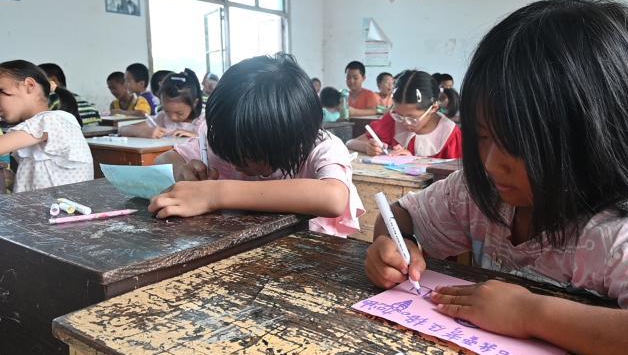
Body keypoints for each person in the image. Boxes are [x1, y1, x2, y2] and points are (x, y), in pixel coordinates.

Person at [364, 0, 628, 355]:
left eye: (518, 144)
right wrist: (396, 246)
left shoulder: (610, 235)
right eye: (483, 137)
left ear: (595, 140)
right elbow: (399, 215)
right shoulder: (478, 193)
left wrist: (532, 313)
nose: (491, 163)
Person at [148, 53, 364, 237]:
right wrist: (184, 170)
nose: (234, 162)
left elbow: (333, 198)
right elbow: (163, 160)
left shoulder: (322, 147)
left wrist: (214, 194)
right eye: (229, 153)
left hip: (309, 254)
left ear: (285, 142)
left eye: (247, 156)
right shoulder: (231, 140)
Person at [0, 60, 93, 192]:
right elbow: (37, 178)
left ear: (29, 85)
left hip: (62, 205)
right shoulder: (36, 129)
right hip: (43, 204)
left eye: (1, 91)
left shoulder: (51, 120)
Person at [346, 70, 462, 158]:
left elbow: (456, 176)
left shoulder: (449, 134)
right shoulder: (393, 120)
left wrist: (414, 161)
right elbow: (350, 143)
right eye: (399, 115)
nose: (405, 122)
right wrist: (367, 147)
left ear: (433, 109)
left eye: (412, 118)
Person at [119, 69, 204, 139]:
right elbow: (122, 129)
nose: (173, 117)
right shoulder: (162, 118)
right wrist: (142, 131)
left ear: (194, 103)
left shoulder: (203, 122)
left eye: (179, 113)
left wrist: (197, 137)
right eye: (167, 111)